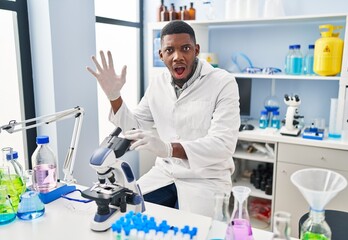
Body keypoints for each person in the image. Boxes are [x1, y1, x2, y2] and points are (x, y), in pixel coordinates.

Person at [87, 20, 240, 217]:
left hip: (206, 178)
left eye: (185, 48)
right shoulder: (157, 84)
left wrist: (169, 148)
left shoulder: (222, 82)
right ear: (161, 55)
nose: (178, 57)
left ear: (196, 50)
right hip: (165, 173)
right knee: (125, 212)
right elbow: (134, 128)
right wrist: (114, 97)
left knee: (196, 232)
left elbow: (223, 145)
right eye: (170, 50)